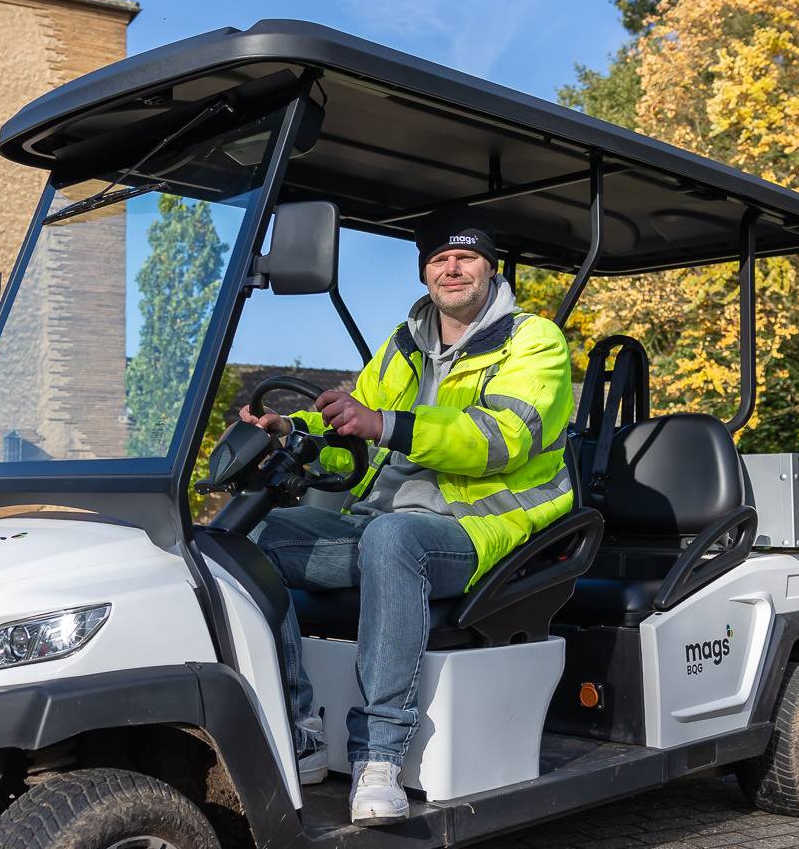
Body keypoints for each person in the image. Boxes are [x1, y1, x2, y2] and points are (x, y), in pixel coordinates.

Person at [238, 210, 574, 825]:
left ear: (489, 267)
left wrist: (388, 426)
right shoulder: (405, 343)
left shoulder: (535, 341)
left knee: (394, 539)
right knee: (249, 540)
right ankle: (300, 725)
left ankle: (379, 758)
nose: (452, 268)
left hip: (485, 529)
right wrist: (292, 428)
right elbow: (355, 426)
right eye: (439, 259)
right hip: (383, 527)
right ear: (424, 273)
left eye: (466, 257)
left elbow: (500, 438)